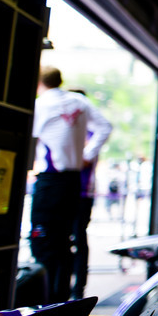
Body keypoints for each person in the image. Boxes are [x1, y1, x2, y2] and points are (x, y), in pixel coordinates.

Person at [31, 67, 112, 303]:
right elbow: (105, 127)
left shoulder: (41, 105)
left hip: (50, 180)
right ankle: (63, 300)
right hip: (74, 182)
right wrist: (87, 154)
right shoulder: (78, 102)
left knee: (43, 243)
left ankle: (42, 303)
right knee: (66, 243)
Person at [67, 88, 106, 300]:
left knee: (79, 240)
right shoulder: (75, 130)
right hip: (71, 192)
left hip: (82, 193)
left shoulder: (90, 132)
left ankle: (77, 290)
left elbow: (87, 160)